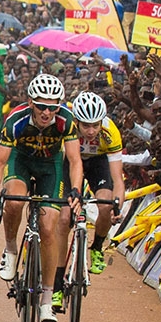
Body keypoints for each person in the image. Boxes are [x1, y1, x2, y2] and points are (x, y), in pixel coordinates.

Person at [0, 74, 83, 322]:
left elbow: (75, 160)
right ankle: (11, 249)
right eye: (42, 106)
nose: (47, 112)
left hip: (50, 167)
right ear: (31, 103)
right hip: (20, 162)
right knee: (15, 201)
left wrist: (75, 190)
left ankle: (46, 298)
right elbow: (0, 162)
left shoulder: (66, 121)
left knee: (48, 227)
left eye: (53, 106)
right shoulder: (15, 120)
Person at [55, 92, 124, 298]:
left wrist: (117, 205)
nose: (91, 131)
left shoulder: (110, 132)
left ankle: (96, 247)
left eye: (95, 125)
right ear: (76, 121)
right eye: (86, 126)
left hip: (98, 163)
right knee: (65, 217)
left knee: (106, 205)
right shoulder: (66, 129)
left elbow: (118, 179)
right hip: (69, 162)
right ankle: (57, 283)